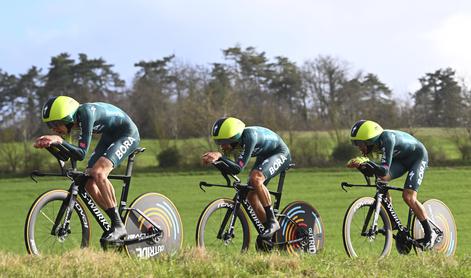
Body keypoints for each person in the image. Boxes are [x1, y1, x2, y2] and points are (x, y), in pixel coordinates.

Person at [34, 96, 140, 243]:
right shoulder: (76, 121)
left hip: (127, 134)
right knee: (88, 182)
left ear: (67, 117)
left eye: (55, 124)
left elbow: (81, 154)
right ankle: (116, 220)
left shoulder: (85, 113)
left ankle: (118, 225)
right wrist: (50, 146)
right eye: (50, 126)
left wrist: (58, 141)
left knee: (98, 172)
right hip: (110, 136)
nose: (53, 129)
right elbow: (68, 156)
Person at [346, 119, 436, 249]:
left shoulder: (387, 139)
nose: (359, 147)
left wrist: (367, 163)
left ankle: (430, 234)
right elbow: (374, 173)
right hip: (402, 160)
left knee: (408, 197)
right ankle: (392, 221)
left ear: (370, 139)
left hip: (418, 157)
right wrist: (361, 166)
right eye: (356, 144)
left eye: (360, 143)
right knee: (380, 180)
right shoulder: (376, 144)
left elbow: (383, 169)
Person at [202, 117, 291, 239]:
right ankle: (270, 235)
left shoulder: (250, 137)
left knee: (256, 178)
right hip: (264, 155)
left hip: (280, 153)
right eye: (219, 143)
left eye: (224, 142)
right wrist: (216, 162)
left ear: (234, 137)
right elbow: (232, 167)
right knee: (250, 195)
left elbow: (238, 168)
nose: (222, 146)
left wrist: (220, 157)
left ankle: (272, 222)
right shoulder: (236, 144)